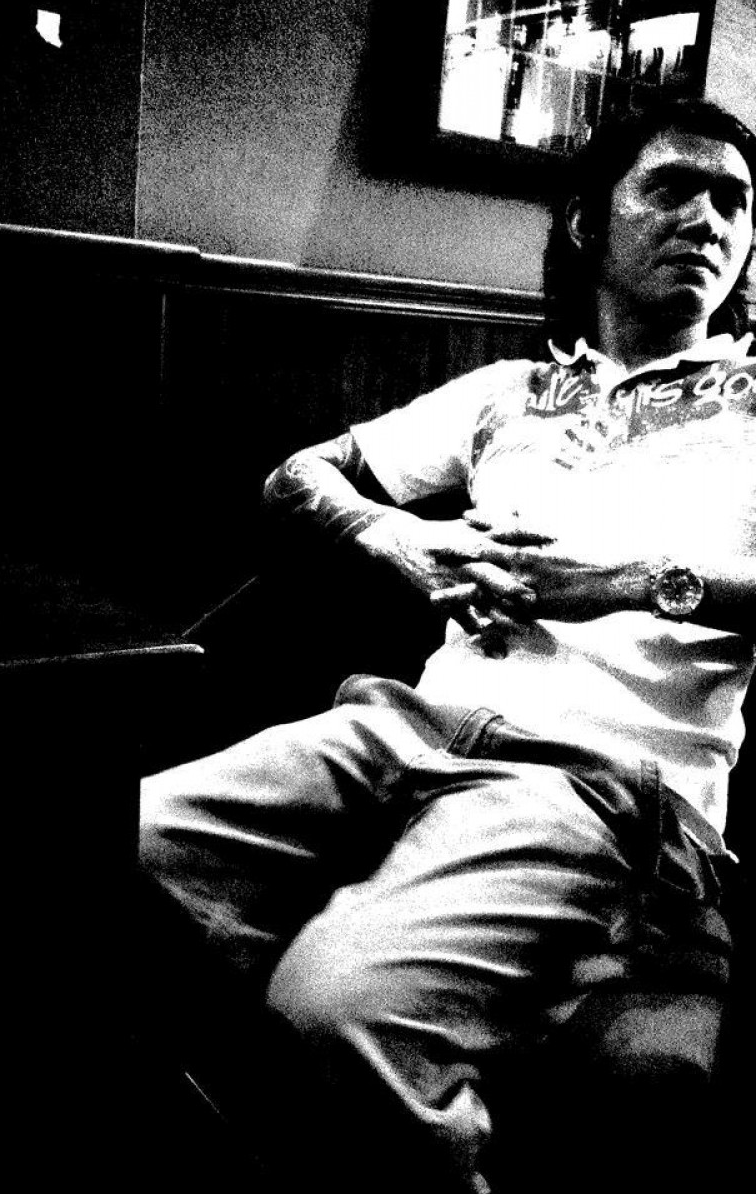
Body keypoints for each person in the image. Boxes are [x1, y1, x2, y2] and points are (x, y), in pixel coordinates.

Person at [138, 98, 756, 1192]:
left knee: (337, 1010)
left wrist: (626, 582)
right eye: (671, 187)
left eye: (734, 202)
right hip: (402, 725)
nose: (707, 219)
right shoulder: (510, 392)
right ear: (586, 221)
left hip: (600, 782)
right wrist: (397, 538)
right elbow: (296, 476)